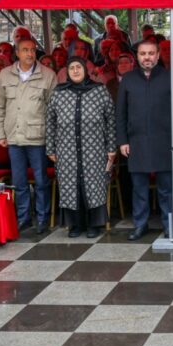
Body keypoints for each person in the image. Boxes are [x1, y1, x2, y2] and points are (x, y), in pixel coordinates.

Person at [116, 39, 173, 240]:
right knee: (139, 188)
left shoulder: (170, 77)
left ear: (158, 55)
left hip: (165, 141)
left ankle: (169, 225)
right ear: (137, 56)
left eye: (151, 53)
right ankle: (140, 225)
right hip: (136, 141)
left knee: (166, 188)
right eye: (143, 54)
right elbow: (120, 113)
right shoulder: (128, 79)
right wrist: (122, 141)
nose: (147, 57)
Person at [47, 56, 116, 238]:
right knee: (71, 186)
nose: (76, 71)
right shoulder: (59, 93)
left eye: (79, 67)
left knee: (93, 185)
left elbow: (110, 120)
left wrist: (111, 147)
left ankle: (94, 225)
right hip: (66, 150)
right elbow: (50, 122)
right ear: (67, 72)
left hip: (94, 149)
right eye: (72, 68)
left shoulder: (99, 91)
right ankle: (75, 225)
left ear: (85, 70)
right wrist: (51, 149)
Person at [0, 38, 58, 233]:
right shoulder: (5, 75)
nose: (29, 54)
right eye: (25, 50)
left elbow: (53, 109)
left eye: (32, 50)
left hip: (37, 136)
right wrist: (0, 133)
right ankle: (23, 218)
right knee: (19, 181)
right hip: (13, 136)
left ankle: (42, 218)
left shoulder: (47, 75)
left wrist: (52, 138)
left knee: (41, 181)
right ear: (17, 52)